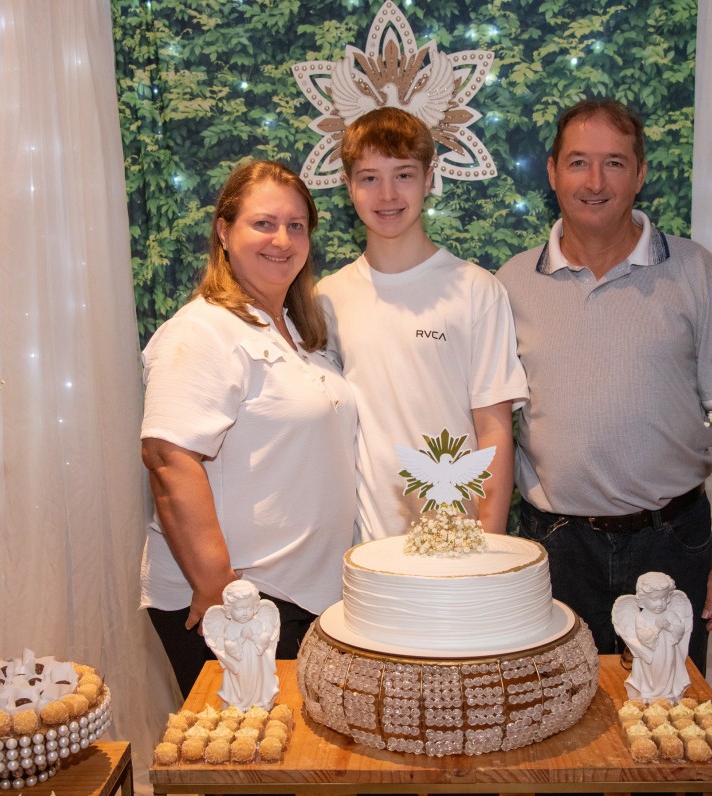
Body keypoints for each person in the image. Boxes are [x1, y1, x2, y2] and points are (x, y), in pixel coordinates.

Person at [496, 98, 712, 674]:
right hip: (555, 550)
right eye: (578, 162)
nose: (595, 182)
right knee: (559, 728)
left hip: (673, 545)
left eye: (614, 163)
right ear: (552, 172)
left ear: (640, 173)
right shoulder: (509, 284)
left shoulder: (698, 272)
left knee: (670, 722)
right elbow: (489, 428)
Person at [140, 160, 358, 697]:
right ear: (224, 231)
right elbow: (169, 460)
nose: (282, 239)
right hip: (240, 604)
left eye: (297, 225)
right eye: (264, 223)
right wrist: (218, 590)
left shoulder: (302, 334)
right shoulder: (203, 331)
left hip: (300, 599)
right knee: (246, 766)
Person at [317, 107, 527, 541]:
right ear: (348, 186)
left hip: (459, 541)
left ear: (429, 178)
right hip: (363, 548)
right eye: (370, 177)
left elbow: (494, 429)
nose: (387, 194)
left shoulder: (476, 290)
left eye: (404, 175)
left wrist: (490, 543)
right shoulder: (326, 298)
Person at [612, 572, 692, 702]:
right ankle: (649, 693)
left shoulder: (670, 615)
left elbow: (680, 631)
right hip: (650, 653)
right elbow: (643, 637)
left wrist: (669, 627)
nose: (660, 604)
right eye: (654, 599)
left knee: (667, 671)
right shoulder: (642, 617)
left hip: (668, 652)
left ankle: (667, 694)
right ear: (643, 600)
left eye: (664, 598)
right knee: (652, 673)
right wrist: (656, 628)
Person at [203, 580, 280, 710]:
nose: (245, 613)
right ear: (229, 609)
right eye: (239, 609)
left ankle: (258, 701)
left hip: (256, 661)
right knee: (242, 683)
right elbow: (228, 646)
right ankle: (241, 703)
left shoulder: (256, 623)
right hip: (239, 664)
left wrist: (256, 638)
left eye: (249, 608)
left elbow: (265, 639)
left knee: (256, 680)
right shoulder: (230, 627)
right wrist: (242, 638)